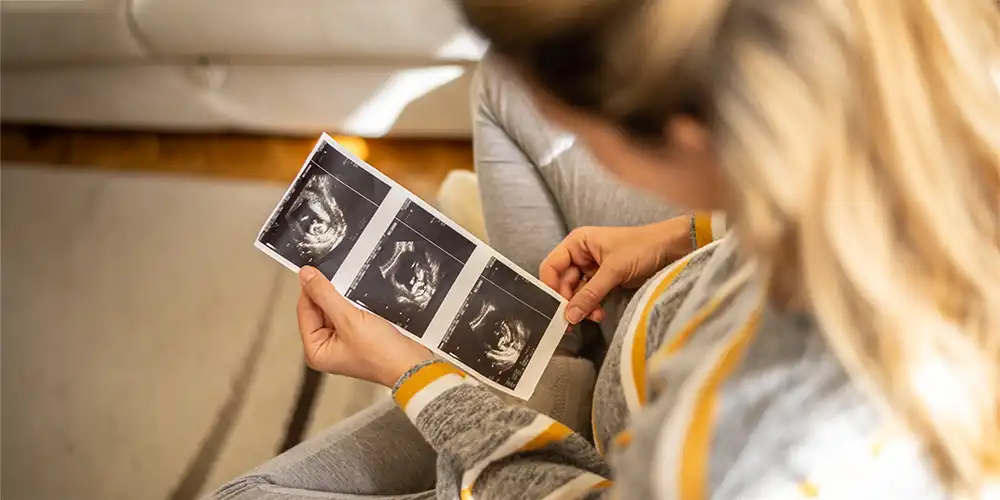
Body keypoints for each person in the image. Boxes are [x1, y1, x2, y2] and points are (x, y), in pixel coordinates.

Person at [212, 0, 1000, 498]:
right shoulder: (921, 77)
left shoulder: (744, 458)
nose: (572, 133)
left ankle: (556, 370)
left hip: (591, 451)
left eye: (582, 124)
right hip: (651, 320)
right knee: (504, 84)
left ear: (694, 137)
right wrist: (679, 234)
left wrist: (412, 374)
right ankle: (569, 349)